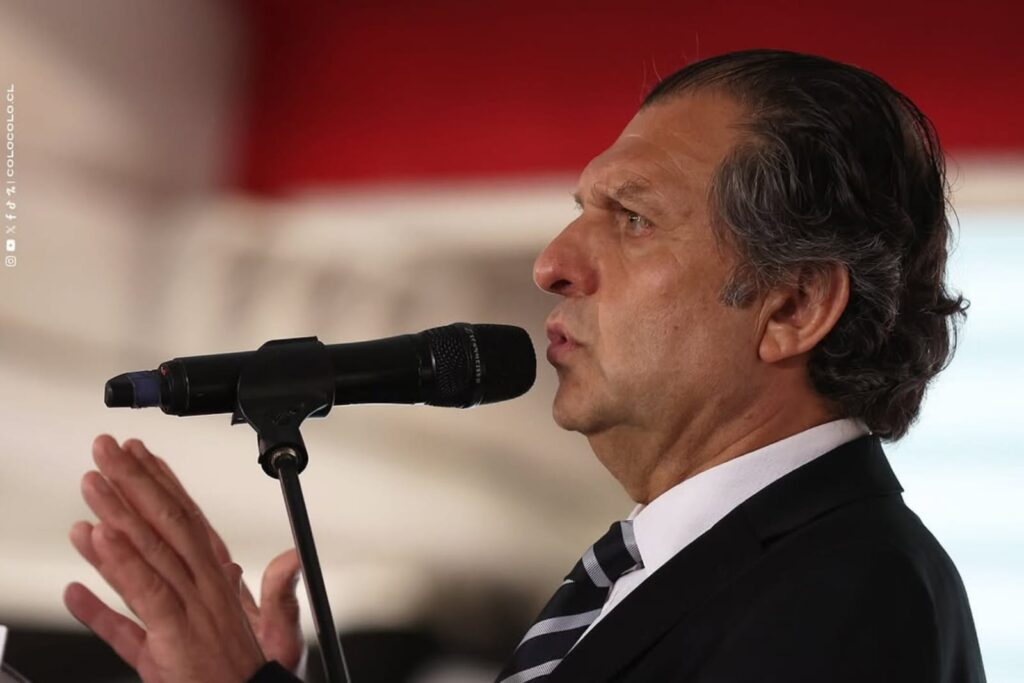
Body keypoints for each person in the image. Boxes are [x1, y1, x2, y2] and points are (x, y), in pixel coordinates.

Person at [65, 49, 986, 682]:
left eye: (632, 216)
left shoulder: (852, 590)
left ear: (793, 305)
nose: (551, 262)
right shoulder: (693, 573)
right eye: (580, 208)